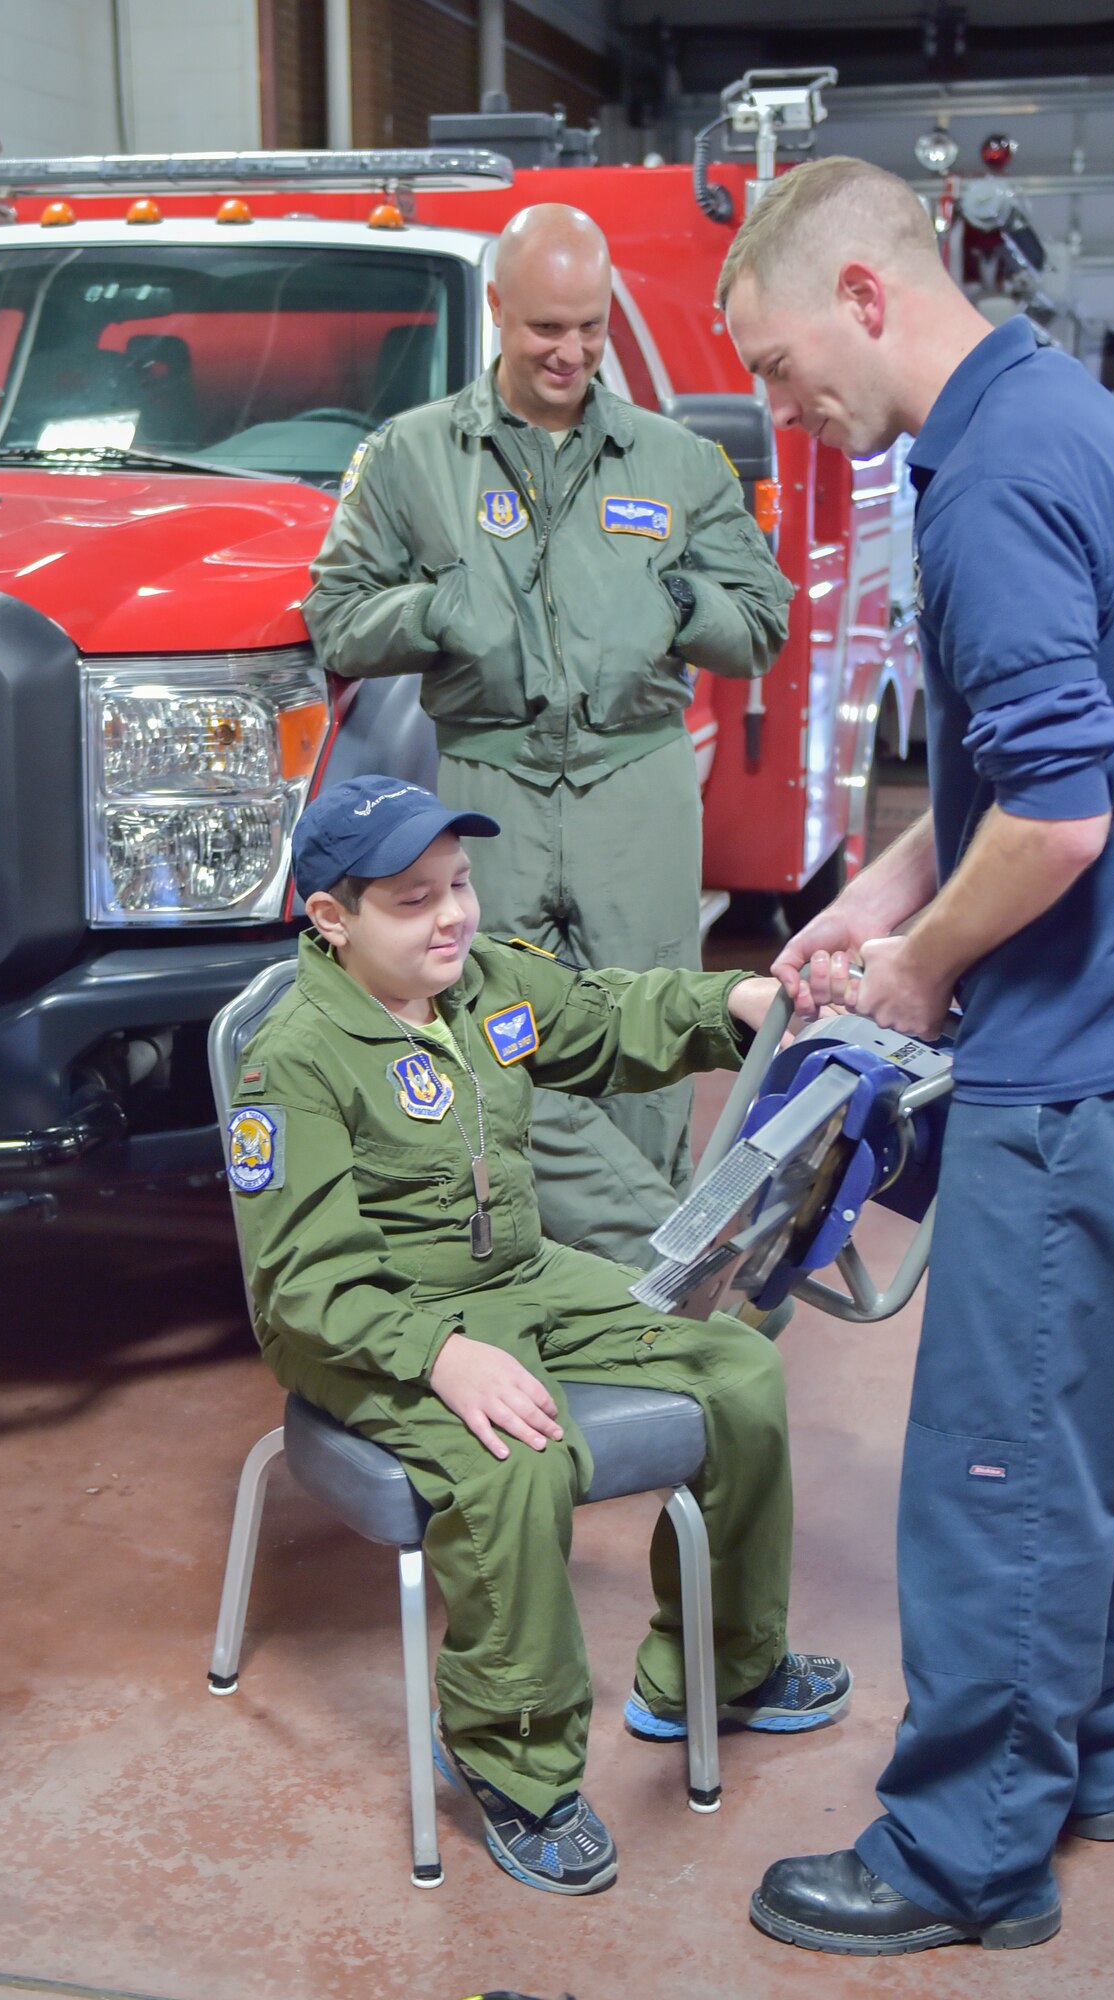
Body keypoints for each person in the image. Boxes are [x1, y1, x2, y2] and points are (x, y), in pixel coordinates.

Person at [720, 156, 1114, 1955]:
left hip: (1071, 1074)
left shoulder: (986, 478)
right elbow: (1028, 772)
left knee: (992, 1472)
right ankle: (1079, 1762)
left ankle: (956, 1857)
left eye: (779, 367)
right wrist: (872, 897)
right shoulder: (1064, 425)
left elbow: (1055, 823)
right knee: (1090, 1447)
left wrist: (915, 975)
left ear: (862, 294)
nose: (783, 413)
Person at [227, 773, 850, 1896]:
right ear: (331, 916)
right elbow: (302, 1283)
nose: (452, 915)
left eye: (458, 884)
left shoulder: (481, 985)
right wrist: (441, 1355)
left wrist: (735, 1004)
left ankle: (718, 1666)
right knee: (520, 1458)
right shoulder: (298, 1059)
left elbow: (605, 1014)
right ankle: (507, 1760)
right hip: (372, 1321)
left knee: (739, 1368)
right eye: (411, 900)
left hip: (518, 1276)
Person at [303, 205, 793, 1271]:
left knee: (652, 1038)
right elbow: (334, 618)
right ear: (496, 312)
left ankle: (647, 1293)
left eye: (588, 325)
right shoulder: (409, 458)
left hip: (636, 786)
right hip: (488, 790)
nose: (568, 351)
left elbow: (762, 625)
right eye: (542, 329)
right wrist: (434, 613)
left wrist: (672, 601)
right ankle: (595, 1269)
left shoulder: (677, 464)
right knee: (488, 1036)